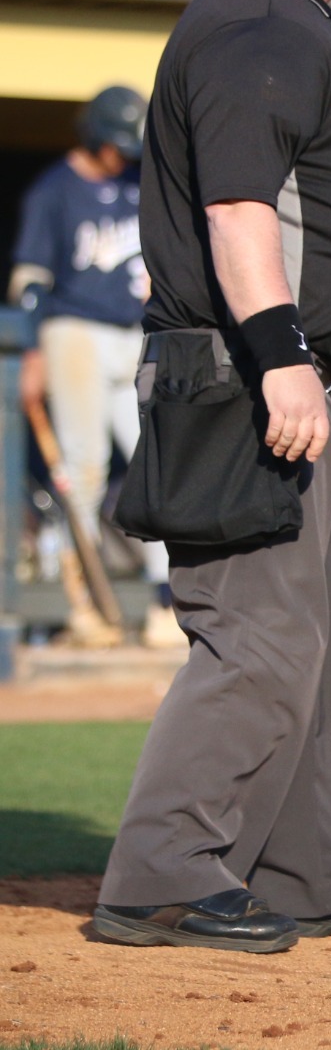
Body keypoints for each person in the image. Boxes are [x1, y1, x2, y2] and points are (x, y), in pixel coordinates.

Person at [92, 0, 331, 953]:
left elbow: (307, 222)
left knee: (328, 653)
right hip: (242, 376)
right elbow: (239, 208)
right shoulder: (261, 23)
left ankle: (320, 875)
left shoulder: (300, 25)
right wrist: (285, 358)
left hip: (295, 375)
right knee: (260, 637)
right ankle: (163, 874)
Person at [9, 86, 179, 649]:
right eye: (115, 145)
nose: (123, 157)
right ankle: (85, 604)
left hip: (133, 335)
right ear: (94, 137)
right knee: (81, 473)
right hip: (74, 332)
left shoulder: (138, 184)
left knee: (155, 461)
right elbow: (30, 281)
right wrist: (32, 352)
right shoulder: (56, 189)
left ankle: (165, 600)